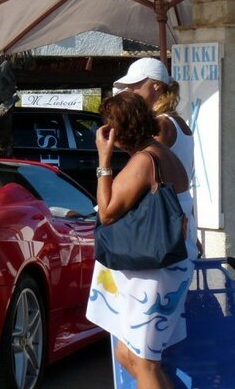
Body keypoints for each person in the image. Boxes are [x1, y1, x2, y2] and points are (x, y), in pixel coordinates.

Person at [86, 91, 196, 389]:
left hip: (154, 272)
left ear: (118, 129)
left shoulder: (145, 161)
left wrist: (104, 160)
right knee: (127, 354)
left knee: (144, 361)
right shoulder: (163, 154)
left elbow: (107, 213)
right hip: (167, 265)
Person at [113, 57, 201, 257]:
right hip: (178, 217)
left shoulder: (161, 125)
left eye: (135, 86)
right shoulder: (176, 121)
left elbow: (142, 169)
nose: (130, 92)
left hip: (165, 224)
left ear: (156, 86)